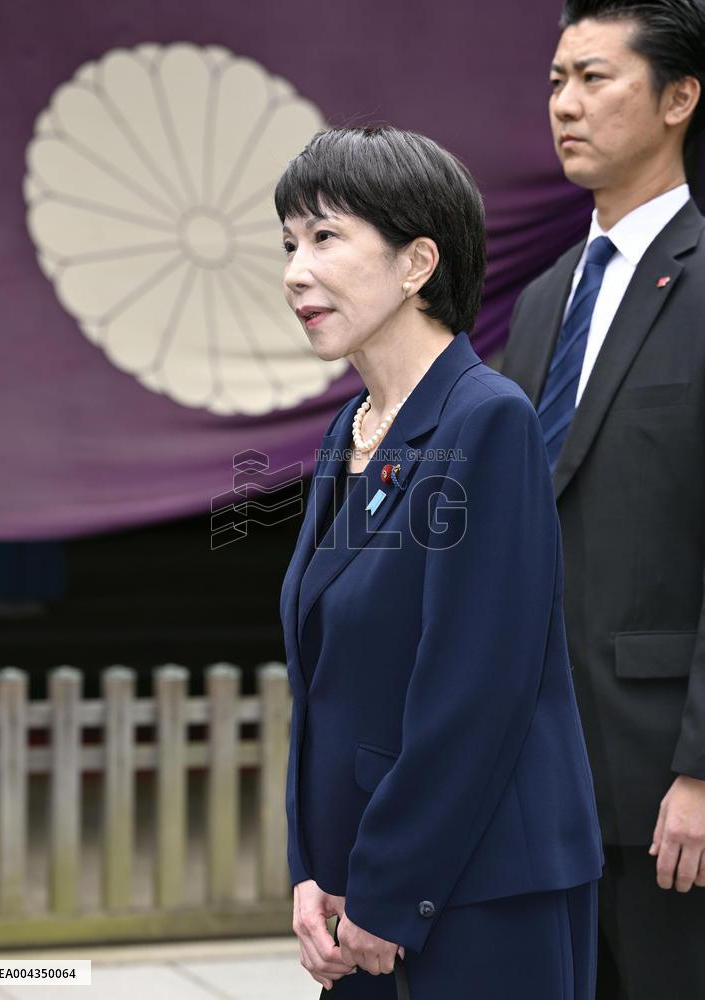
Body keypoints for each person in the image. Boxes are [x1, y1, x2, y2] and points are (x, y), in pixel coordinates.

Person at [275, 124, 602, 999]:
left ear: (418, 261)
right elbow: (329, 679)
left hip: (476, 890)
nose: (294, 271)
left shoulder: (485, 421)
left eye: (325, 237)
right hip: (364, 892)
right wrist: (310, 870)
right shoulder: (349, 430)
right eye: (288, 244)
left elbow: (475, 690)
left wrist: (386, 889)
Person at [501, 2, 705, 997]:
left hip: (668, 785)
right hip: (536, 780)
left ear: (677, 97)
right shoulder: (543, 297)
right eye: (553, 81)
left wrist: (702, 772)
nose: (564, 105)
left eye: (592, 78)